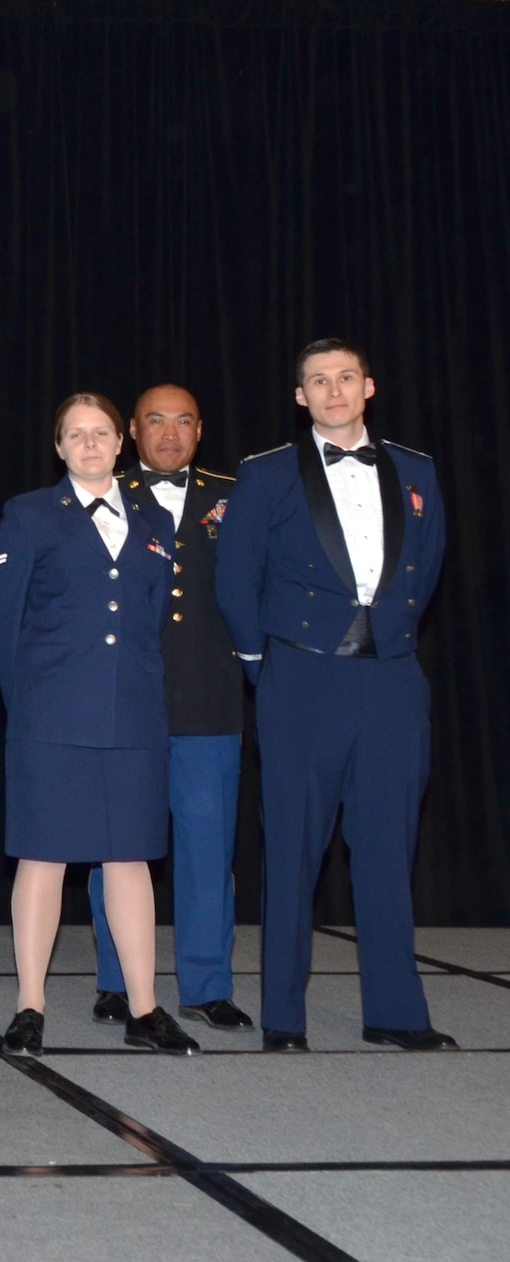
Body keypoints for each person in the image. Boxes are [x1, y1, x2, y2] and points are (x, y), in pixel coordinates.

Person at [216, 339, 455, 1052]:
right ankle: (285, 1018)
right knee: (292, 849)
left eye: (345, 377)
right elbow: (236, 580)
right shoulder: (263, 475)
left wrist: (391, 633)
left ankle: (396, 1011)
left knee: (389, 846)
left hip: (391, 679)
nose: (333, 390)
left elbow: (429, 563)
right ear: (301, 397)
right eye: (318, 381)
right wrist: (268, 666)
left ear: (368, 386)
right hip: (301, 678)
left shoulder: (416, 468)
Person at [0, 392, 199, 1056]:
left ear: (121, 441)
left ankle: (144, 1007)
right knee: (44, 857)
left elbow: (151, 615)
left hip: (132, 713)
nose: (89, 443)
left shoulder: (154, 515)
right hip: (50, 716)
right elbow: (2, 619)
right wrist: (33, 706)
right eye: (75, 435)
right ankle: (29, 1005)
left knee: (129, 857)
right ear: (59, 447)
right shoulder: (28, 515)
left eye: (100, 432)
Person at [86, 386, 252, 1033]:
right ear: (132, 430)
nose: (170, 432)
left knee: (208, 850)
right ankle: (113, 979)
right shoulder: (104, 494)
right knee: (115, 846)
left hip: (209, 701)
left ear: (200, 429)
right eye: (156, 420)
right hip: (125, 704)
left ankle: (206, 985)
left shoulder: (233, 496)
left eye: (184, 420)